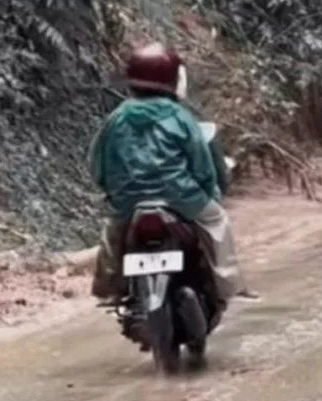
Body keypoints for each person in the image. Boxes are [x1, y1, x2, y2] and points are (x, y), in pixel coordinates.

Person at [87, 42, 250, 326]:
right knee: (216, 222)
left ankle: (110, 290)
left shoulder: (116, 118)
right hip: (180, 197)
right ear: (173, 79)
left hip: (128, 201)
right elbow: (201, 163)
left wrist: (110, 190)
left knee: (113, 235)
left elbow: (97, 161)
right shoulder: (179, 116)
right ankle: (228, 285)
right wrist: (209, 191)